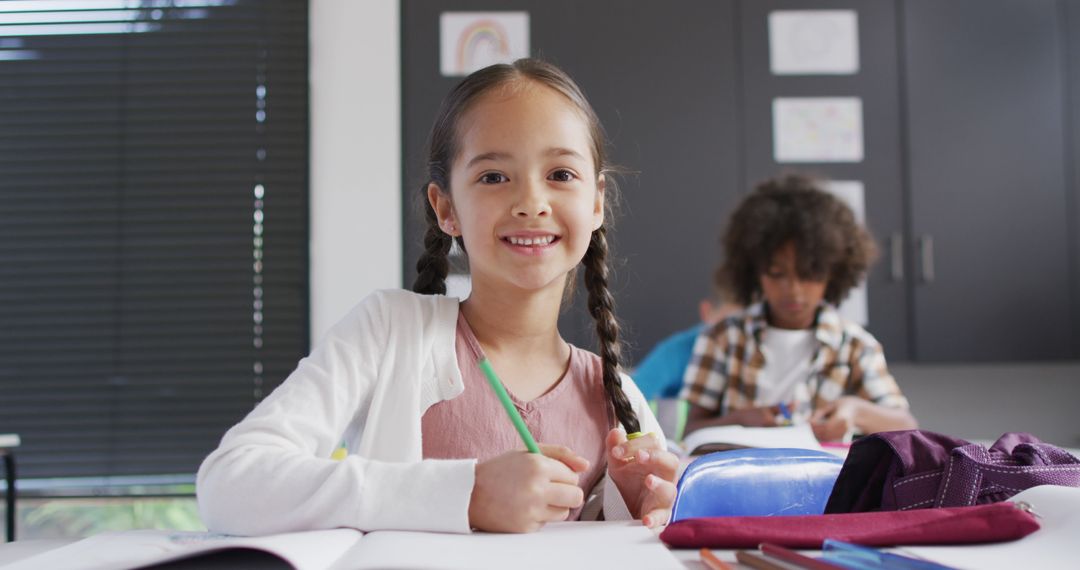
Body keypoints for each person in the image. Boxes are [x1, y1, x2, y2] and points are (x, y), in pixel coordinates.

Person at [196, 59, 678, 536]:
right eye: (493, 176)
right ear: (446, 208)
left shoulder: (619, 400)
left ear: (595, 203)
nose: (532, 201)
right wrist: (466, 495)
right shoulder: (388, 331)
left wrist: (627, 506)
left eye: (560, 174)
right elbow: (231, 484)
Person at [680, 174, 917, 442]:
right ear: (754, 271)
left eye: (808, 275)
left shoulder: (854, 345)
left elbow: (907, 426)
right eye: (776, 273)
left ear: (834, 273)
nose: (793, 290)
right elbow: (689, 432)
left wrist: (855, 410)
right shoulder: (722, 338)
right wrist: (741, 420)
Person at [632, 291, 741, 402]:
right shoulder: (675, 351)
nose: (733, 335)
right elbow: (630, 400)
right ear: (706, 311)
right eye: (726, 326)